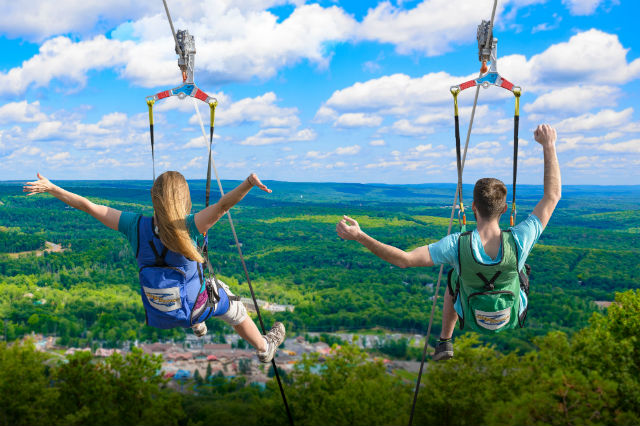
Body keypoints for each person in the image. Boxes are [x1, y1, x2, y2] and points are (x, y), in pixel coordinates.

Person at [336, 124, 561, 361]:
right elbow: (552, 196)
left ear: (473, 208)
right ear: (504, 209)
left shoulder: (456, 245)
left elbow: (403, 259)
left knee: (455, 276)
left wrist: (359, 236)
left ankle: (445, 340)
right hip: (512, 314)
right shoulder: (519, 239)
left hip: (472, 314)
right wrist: (549, 145)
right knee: (520, 270)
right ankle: (448, 337)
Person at [24, 171, 285, 363]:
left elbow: (89, 206)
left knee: (199, 289)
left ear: (154, 198)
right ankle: (265, 348)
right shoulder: (192, 226)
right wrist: (249, 183)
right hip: (194, 306)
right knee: (234, 307)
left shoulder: (135, 225)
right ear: (184, 198)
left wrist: (52, 188)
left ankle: (197, 325)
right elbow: (222, 206)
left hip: (160, 309)